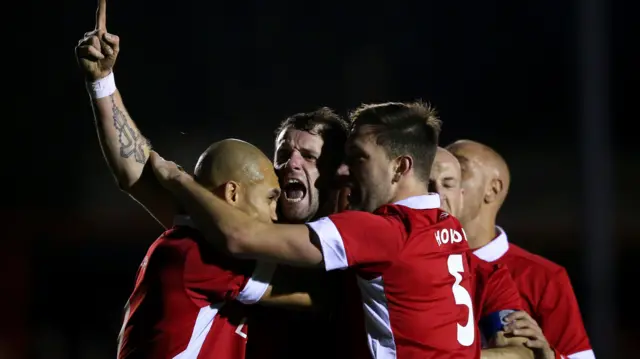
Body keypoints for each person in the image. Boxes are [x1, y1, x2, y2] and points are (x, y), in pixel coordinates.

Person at [150, 101, 481, 358]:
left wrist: (179, 180)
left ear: (400, 167)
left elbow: (239, 237)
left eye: (359, 158)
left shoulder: (382, 232)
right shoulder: (449, 229)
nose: (345, 170)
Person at [117, 139, 324, 359]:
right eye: (270, 198)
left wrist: (103, 101)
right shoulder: (206, 253)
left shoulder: (181, 240)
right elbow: (321, 296)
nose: (275, 215)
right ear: (232, 193)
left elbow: (130, 176)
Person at [446, 140, 595, 359]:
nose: (441, 180)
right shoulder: (416, 262)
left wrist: (549, 356)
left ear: (492, 189)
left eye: (459, 169)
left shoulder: (543, 277)